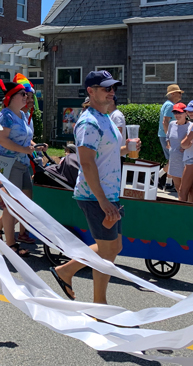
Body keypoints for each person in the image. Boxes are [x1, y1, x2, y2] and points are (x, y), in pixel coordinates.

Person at [50, 70, 140, 305]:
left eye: (113, 88)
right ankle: (99, 305)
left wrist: (126, 149)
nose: (112, 92)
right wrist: (102, 200)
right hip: (95, 195)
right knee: (107, 250)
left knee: (112, 247)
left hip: (108, 192)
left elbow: (103, 153)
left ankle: (66, 271)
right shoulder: (89, 122)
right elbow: (87, 163)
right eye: (106, 88)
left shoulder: (106, 117)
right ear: (90, 92)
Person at [0, 80, 40, 257]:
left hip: (22, 163)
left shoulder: (23, 116)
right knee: (12, 205)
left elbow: (25, 139)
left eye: (27, 94)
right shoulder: (5, 116)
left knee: (24, 203)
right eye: (23, 94)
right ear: (11, 97)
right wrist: (25, 149)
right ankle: (10, 244)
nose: (27, 97)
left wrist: (35, 145)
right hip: (10, 164)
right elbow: (2, 140)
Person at [159, 84, 183, 173]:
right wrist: (168, 138)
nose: (180, 94)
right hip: (166, 136)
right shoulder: (170, 106)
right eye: (178, 92)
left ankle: (168, 182)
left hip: (165, 135)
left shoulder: (170, 104)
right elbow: (165, 122)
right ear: (172, 94)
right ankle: (157, 176)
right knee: (173, 159)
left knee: (172, 160)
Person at [166, 102, 189, 194]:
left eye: (180, 112)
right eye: (175, 112)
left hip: (185, 162)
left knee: (185, 189)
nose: (177, 115)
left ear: (186, 113)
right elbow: (168, 137)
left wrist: (188, 148)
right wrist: (168, 144)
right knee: (177, 187)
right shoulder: (172, 124)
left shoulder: (191, 126)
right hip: (173, 159)